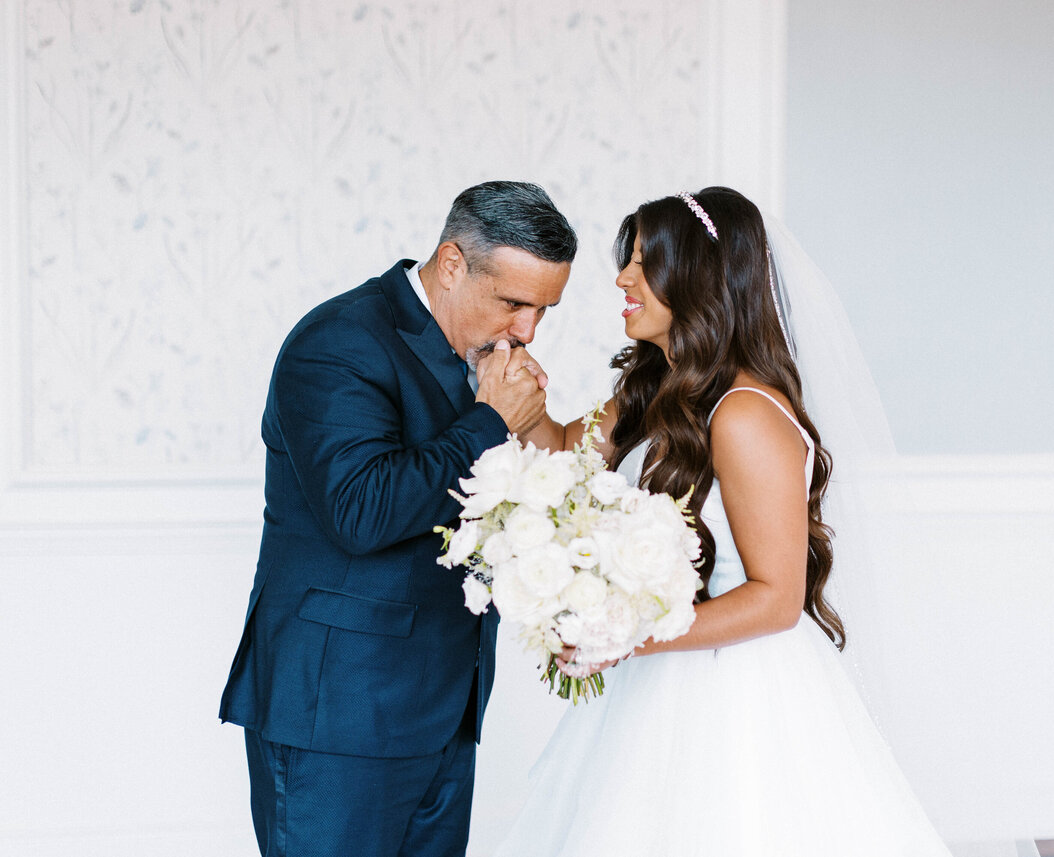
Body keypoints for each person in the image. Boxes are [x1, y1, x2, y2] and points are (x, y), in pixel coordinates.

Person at [497, 187, 952, 856]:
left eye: (645, 263)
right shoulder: (654, 386)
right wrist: (518, 387)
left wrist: (626, 633)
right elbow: (567, 453)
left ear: (700, 279)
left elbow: (777, 598)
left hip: (741, 693)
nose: (623, 278)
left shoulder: (744, 414)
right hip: (655, 679)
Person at [218, 180, 577, 857]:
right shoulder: (338, 342)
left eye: (544, 310)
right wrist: (492, 421)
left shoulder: (482, 363)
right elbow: (362, 510)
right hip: (338, 717)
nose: (527, 331)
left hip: (444, 715)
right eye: (514, 302)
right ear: (451, 264)